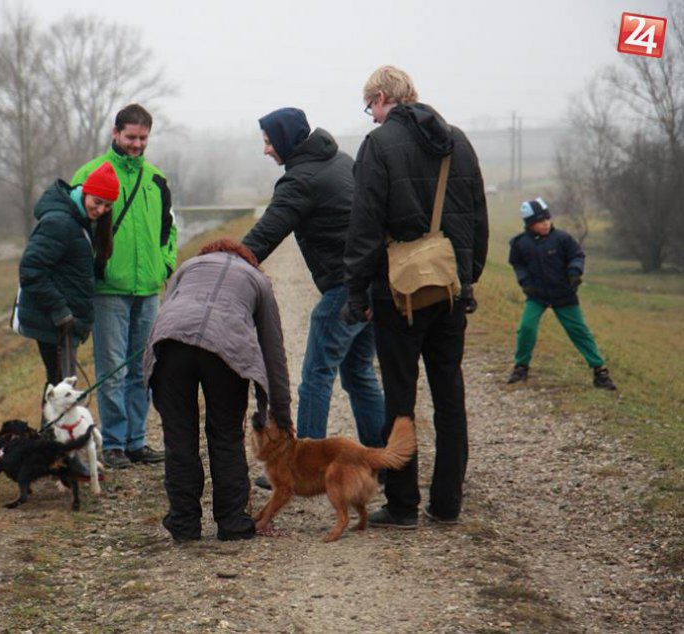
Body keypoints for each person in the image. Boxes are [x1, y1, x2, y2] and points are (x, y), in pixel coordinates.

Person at [343, 65, 489, 528]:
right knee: (449, 393)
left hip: (398, 294)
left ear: (384, 96)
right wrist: (467, 278)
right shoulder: (459, 141)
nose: (371, 117)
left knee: (400, 397)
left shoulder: (378, 146)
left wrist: (356, 289)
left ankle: (403, 505)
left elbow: (364, 223)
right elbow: (478, 215)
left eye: (371, 107)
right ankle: (447, 504)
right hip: (449, 290)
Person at [242, 107, 385, 489]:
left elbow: (265, 234)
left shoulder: (300, 180)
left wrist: (224, 261)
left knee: (315, 377)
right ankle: (380, 461)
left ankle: (296, 469)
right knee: (358, 374)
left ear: (287, 140)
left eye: (270, 142)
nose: (267, 151)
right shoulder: (339, 160)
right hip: (375, 280)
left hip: (344, 287)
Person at [143, 239, 292, 542]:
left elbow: (166, 311)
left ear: (206, 254)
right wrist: (282, 414)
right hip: (228, 349)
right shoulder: (258, 280)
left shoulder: (187, 267)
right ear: (248, 260)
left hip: (171, 345)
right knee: (225, 435)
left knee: (179, 436)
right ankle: (232, 522)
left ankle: (184, 524)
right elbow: (273, 351)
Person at [72, 104, 177, 470]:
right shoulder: (90, 174)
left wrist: (165, 263)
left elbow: (169, 227)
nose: (136, 144)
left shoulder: (156, 179)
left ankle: (136, 441)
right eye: (130, 137)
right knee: (112, 369)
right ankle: (114, 442)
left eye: (143, 138)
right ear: (115, 133)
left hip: (148, 290)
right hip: (109, 291)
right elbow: (74, 228)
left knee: (142, 368)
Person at [12, 161, 119, 419]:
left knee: (58, 387)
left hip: (67, 322)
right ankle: (54, 452)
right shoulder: (60, 222)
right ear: (85, 193)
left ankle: (52, 452)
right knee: (61, 390)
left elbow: (70, 267)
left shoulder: (81, 220)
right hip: (54, 322)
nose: (101, 209)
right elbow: (30, 270)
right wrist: (60, 309)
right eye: (98, 201)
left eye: (107, 205)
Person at [506, 197, 617, 390]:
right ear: (530, 224)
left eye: (548, 219)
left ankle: (600, 371)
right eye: (541, 221)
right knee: (526, 328)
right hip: (537, 295)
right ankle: (521, 367)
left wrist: (575, 272)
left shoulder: (562, 238)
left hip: (563, 293)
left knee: (579, 331)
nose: (546, 224)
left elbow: (577, 255)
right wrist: (525, 282)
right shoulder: (520, 244)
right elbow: (518, 264)